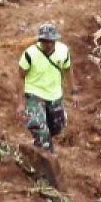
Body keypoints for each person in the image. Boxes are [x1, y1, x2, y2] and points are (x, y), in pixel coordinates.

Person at [18, 22, 73, 153]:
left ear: (55, 40)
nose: (48, 44)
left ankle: (43, 141)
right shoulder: (30, 54)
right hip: (34, 94)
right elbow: (20, 76)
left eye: (51, 41)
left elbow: (68, 69)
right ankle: (47, 157)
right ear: (40, 40)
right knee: (40, 129)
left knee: (57, 127)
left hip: (55, 95)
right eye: (44, 41)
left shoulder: (63, 51)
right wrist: (20, 103)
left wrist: (73, 91)